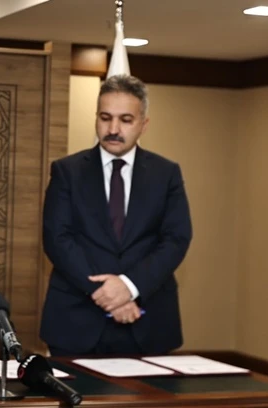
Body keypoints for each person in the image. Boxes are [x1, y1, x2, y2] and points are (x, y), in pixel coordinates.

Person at [40, 75, 192, 356]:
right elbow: (57, 239)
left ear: (144, 124)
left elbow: (176, 240)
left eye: (125, 120)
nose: (113, 129)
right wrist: (108, 294)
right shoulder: (67, 171)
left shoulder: (166, 174)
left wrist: (130, 287)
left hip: (147, 321)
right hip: (76, 322)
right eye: (105, 118)